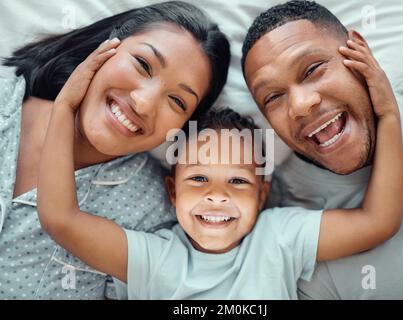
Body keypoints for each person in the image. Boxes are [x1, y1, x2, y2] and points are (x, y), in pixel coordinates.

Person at [36, 35, 403, 299]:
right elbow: (60, 219)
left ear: (263, 194)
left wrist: (387, 114)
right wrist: (65, 108)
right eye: (198, 178)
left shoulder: (279, 239)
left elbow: (378, 222)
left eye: (238, 181)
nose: (217, 196)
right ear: (173, 191)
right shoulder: (151, 258)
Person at [0, 1, 230, 299]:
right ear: (104, 48)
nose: (143, 103)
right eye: (143, 64)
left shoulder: (152, 217)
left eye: (177, 102)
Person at [241, 0, 403, 298]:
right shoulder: (298, 236)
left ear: (358, 48)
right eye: (273, 97)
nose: (300, 105)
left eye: (312, 70)